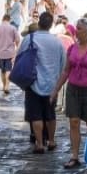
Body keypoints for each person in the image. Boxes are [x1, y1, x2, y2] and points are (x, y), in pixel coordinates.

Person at [50, 16, 87, 169]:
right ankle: (74, 156)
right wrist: (56, 89)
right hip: (73, 89)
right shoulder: (72, 48)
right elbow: (66, 71)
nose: (75, 31)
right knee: (74, 122)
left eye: (79, 29)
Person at [18, 11, 66, 154]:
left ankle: (39, 143)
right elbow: (63, 63)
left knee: (36, 114)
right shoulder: (57, 41)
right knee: (50, 113)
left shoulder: (30, 38)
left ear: (39, 23)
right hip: (52, 84)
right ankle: (51, 141)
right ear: (51, 25)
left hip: (33, 83)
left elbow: (20, 57)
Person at [0, 14, 21, 95]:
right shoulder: (13, 28)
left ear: (2, 19)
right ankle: (7, 85)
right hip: (10, 53)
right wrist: (17, 51)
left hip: (0, 53)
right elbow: (18, 40)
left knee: (2, 70)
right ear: (9, 20)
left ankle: (4, 86)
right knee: (8, 70)